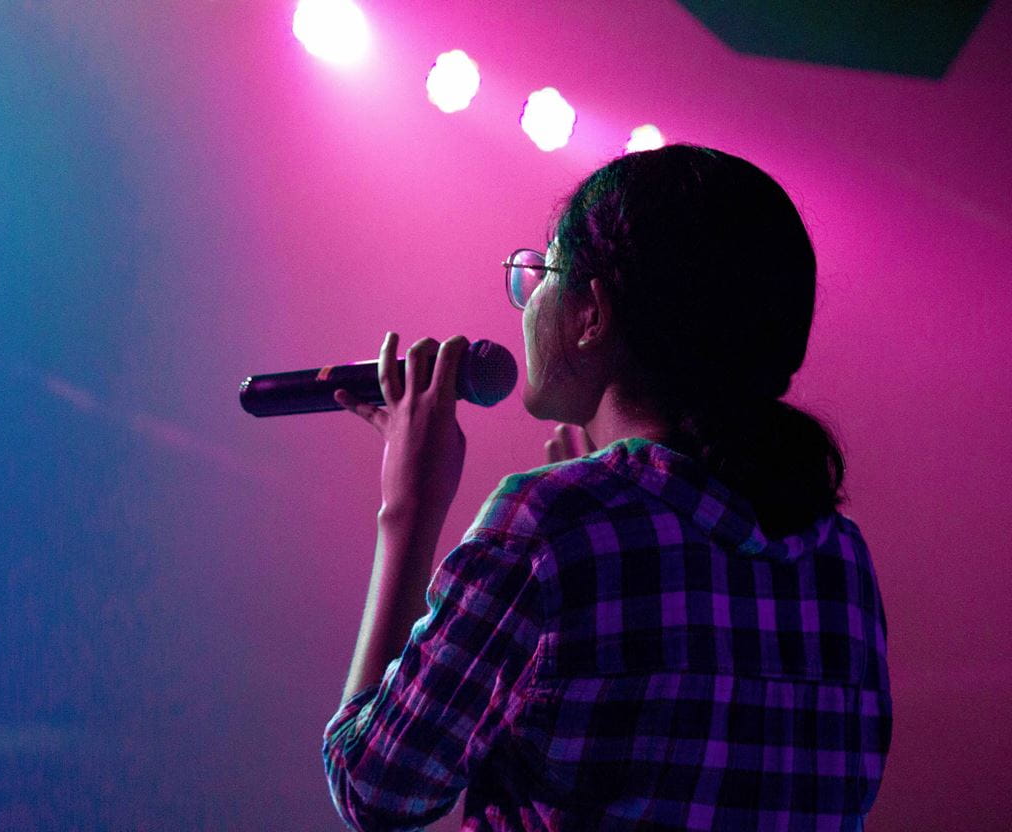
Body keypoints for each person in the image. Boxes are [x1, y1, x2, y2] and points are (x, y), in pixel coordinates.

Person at [324, 144, 892, 831]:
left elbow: (376, 787)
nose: (526, 302)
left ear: (592, 314)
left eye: (539, 276)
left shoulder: (546, 525)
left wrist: (409, 507)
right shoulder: (840, 558)